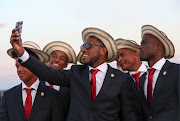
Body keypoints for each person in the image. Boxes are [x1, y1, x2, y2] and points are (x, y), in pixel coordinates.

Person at [10, 27, 143, 121]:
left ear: (103, 50)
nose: (83, 49)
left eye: (89, 45)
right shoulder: (75, 73)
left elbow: (129, 115)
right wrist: (21, 52)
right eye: (82, 46)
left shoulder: (122, 79)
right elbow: (47, 73)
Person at [0, 41, 62, 121]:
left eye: (23, 65)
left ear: (35, 65)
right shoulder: (8, 96)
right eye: (17, 66)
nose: (19, 70)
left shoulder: (53, 95)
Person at [139, 25, 179, 121]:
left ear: (157, 46)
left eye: (144, 43)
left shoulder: (176, 72)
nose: (139, 47)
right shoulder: (142, 78)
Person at [43, 41, 77, 121]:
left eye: (62, 58)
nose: (57, 60)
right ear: (48, 60)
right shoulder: (37, 83)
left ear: (66, 65)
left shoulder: (71, 88)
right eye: (54, 56)